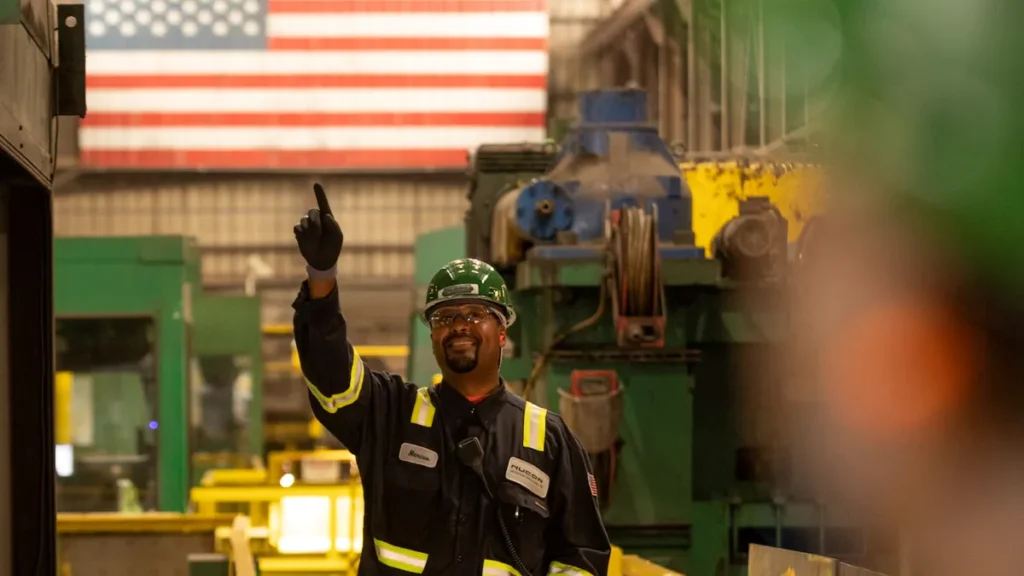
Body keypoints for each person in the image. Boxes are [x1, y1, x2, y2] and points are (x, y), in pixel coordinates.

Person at [292, 184, 611, 576]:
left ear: (502, 331)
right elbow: (331, 377)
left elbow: (583, 556)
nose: (459, 325)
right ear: (432, 334)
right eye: (445, 317)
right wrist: (322, 278)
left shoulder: (550, 442)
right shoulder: (391, 415)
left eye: (475, 313)